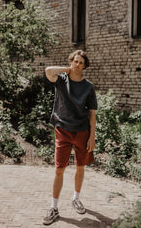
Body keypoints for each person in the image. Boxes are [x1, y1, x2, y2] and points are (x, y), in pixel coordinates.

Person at [43, 50, 97, 225]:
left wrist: (92, 137)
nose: (78, 65)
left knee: (80, 167)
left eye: (81, 63)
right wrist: (67, 69)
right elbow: (48, 71)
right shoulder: (61, 80)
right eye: (75, 61)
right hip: (63, 130)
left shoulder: (88, 87)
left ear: (85, 66)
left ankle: (76, 198)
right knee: (59, 169)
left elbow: (92, 114)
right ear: (71, 62)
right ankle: (54, 208)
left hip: (82, 131)